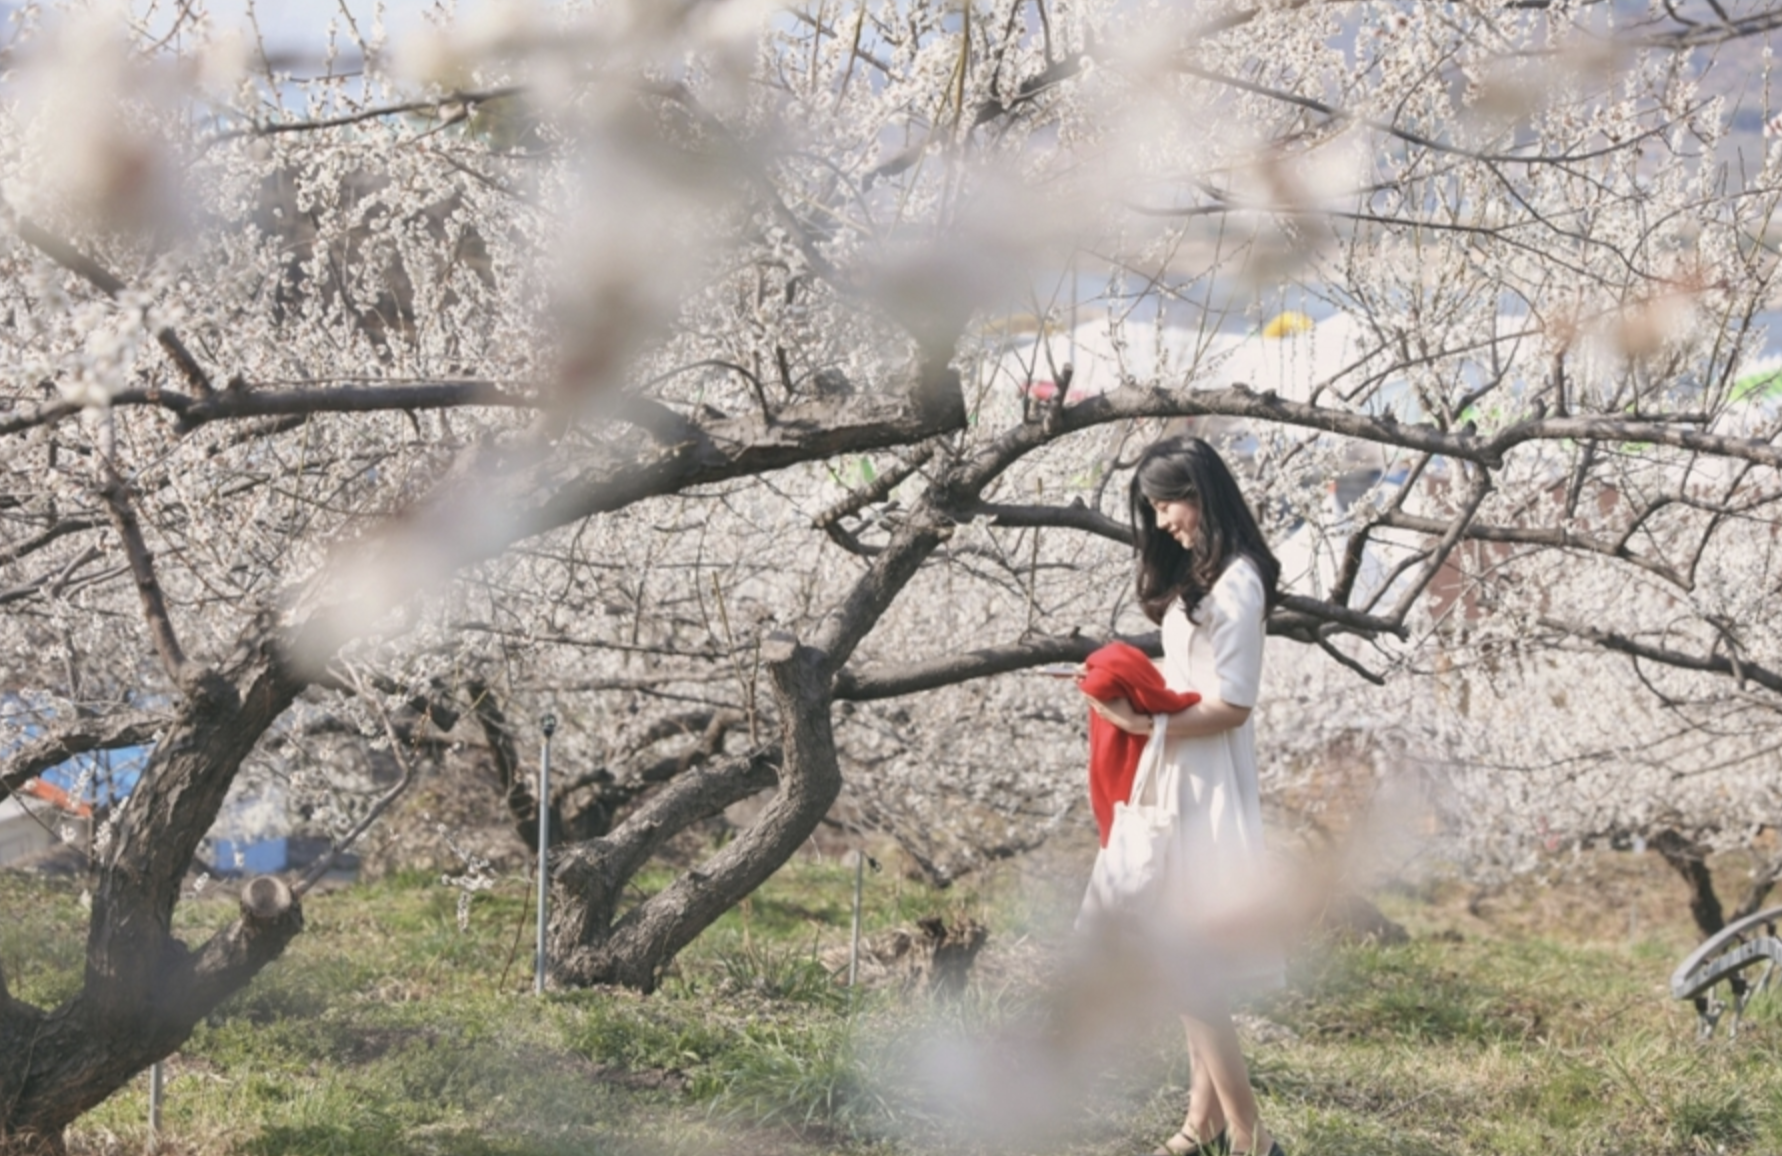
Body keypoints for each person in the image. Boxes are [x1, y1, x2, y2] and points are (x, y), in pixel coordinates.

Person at [1077, 434, 1286, 1156]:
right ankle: (1203, 1126)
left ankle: (1251, 1137)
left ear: (1200, 494)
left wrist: (1147, 723)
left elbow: (1234, 704)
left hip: (1206, 778)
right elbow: (1190, 677)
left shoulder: (1240, 582)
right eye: (1156, 508)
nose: (1162, 521)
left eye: (1167, 504)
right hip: (1178, 771)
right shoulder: (1208, 575)